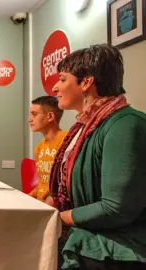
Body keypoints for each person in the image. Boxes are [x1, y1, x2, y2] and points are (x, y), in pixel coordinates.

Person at [44, 44, 146, 269]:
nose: (54, 87)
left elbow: (115, 208)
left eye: (62, 79)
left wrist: (56, 219)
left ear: (86, 82)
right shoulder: (85, 126)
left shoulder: (125, 125)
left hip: (117, 248)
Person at [27, 96, 67, 202]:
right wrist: (26, 197)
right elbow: (42, 185)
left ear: (50, 116)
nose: (29, 119)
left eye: (34, 114)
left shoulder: (66, 140)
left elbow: (67, 181)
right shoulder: (39, 147)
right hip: (42, 204)